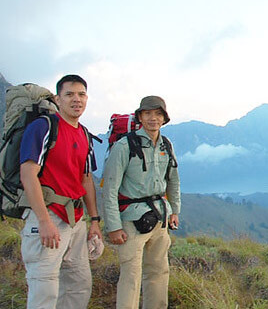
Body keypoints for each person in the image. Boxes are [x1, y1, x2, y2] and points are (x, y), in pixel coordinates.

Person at [19, 74, 103, 309]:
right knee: (44, 288)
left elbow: (86, 179)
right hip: (48, 215)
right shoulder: (44, 127)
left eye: (81, 94)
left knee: (79, 285)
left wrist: (94, 220)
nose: (76, 99)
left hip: (75, 220)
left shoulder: (84, 133)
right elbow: (28, 174)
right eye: (69, 94)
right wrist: (44, 221)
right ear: (58, 98)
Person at [103, 95, 181, 309]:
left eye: (158, 114)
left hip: (160, 219)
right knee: (131, 276)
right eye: (147, 113)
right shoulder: (124, 146)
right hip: (131, 222)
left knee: (158, 273)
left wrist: (175, 211)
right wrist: (114, 227)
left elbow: (173, 181)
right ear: (140, 117)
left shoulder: (166, 144)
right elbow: (109, 188)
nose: (153, 118)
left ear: (164, 118)